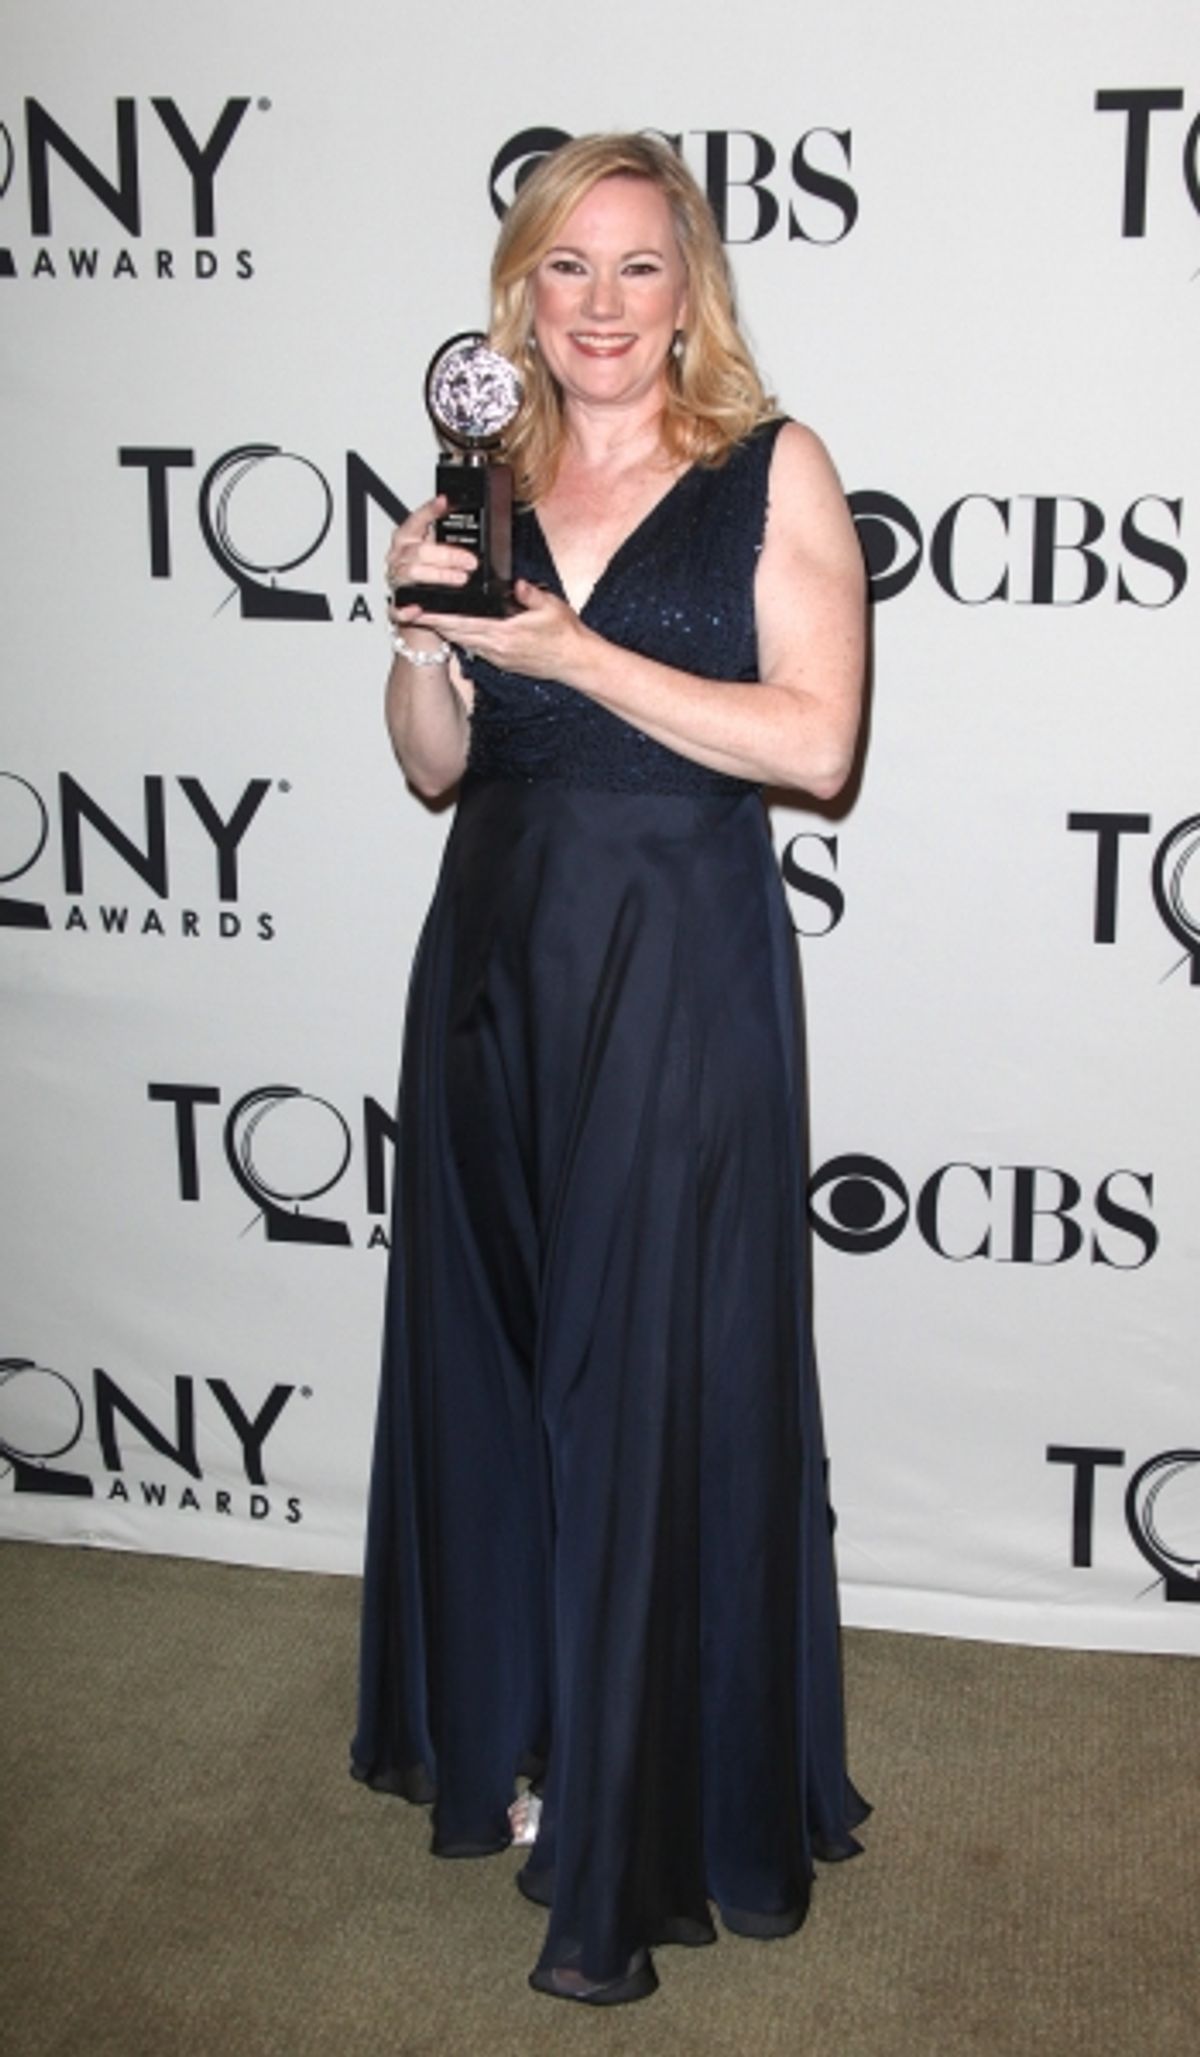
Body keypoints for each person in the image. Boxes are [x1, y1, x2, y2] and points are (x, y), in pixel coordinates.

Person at [352, 130, 869, 2007]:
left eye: (638, 267)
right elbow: (431, 762)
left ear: (690, 289)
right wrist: (417, 635)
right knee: (498, 1352)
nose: (600, 305)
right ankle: (522, 1726)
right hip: (492, 952)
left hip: (677, 959)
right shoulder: (479, 473)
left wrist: (574, 648)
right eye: (567, 268)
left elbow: (815, 743)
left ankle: (647, 1779)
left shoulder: (769, 468)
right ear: (522, 290)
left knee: (646, 1371)